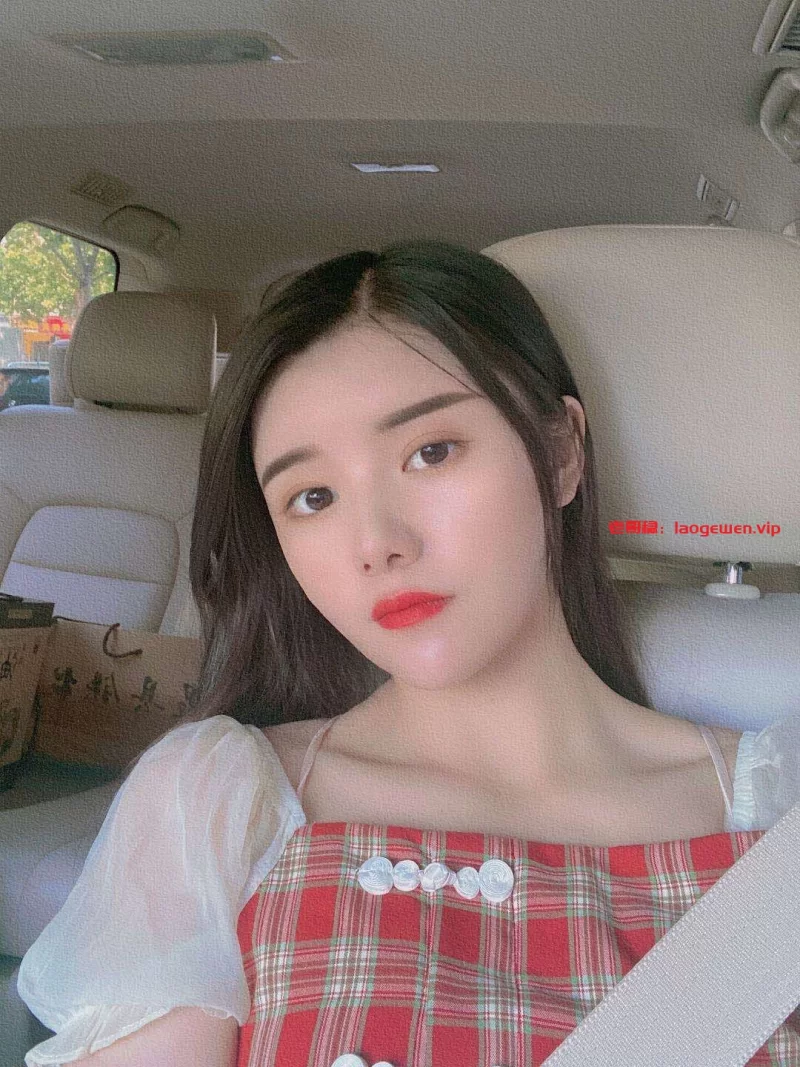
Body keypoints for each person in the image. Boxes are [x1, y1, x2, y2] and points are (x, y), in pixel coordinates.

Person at [17, 241, 800, 1066]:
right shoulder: (220, 804)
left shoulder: (776, 815)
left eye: (431, 451)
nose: (376, 542)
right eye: (313, 496)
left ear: (562, 454)